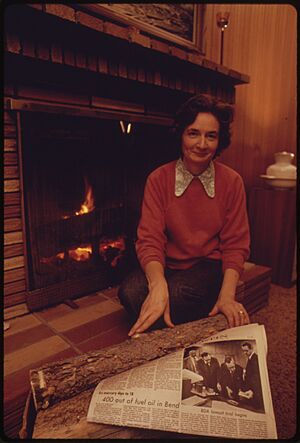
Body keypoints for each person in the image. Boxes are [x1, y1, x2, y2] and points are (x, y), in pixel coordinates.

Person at [118, 94, 250, 337]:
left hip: (207, 265)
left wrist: (227, 297)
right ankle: (175, 321)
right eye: (193, 133)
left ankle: (159, 324)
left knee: (178, 294)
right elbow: (149, 239)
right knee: (129, 292)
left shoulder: (232, 181)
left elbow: (236, 245)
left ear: (219, 141)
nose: (202, 144)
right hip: (168, 263)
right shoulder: (158, 178)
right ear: (181, 135)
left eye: (211, 136)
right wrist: (158, 285)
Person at [238, 342, 264, 411]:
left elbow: (256, 377)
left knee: (256, 409)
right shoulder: (250, 358)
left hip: (255, 390)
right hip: (251, 388)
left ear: (251, 349)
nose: (244, 353)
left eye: (246, 351)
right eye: (243, 351)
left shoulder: (255, 359)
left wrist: (252, 390)